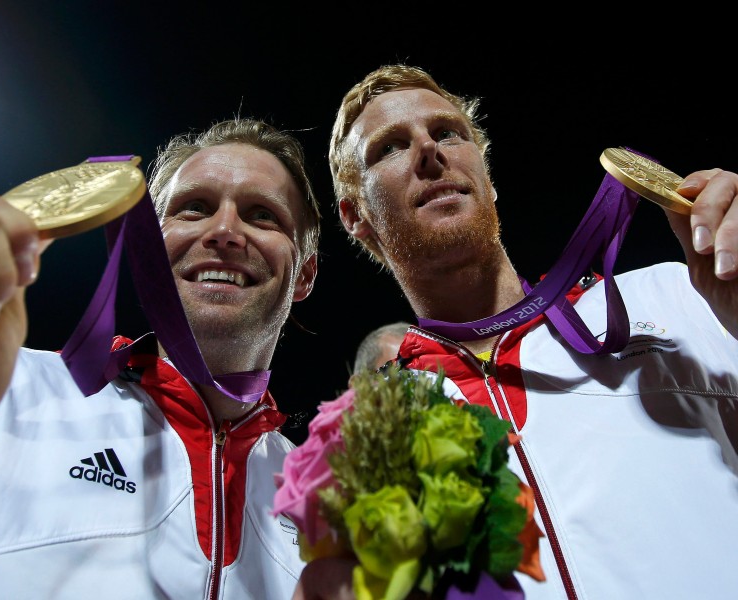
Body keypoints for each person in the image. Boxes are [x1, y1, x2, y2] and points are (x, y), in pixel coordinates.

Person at [295, 64, 738, 599]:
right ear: (354, 215)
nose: (428, 152)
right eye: (389, 147)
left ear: (488, 176)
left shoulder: (680, 296)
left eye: (447, 132)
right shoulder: (374, 430)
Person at [0, 118, 321, 599]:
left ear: (304, 274)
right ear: (149, 251)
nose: (225, 231)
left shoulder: (315, 498)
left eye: (262, 215)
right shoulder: (1, 393)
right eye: (194, 208)